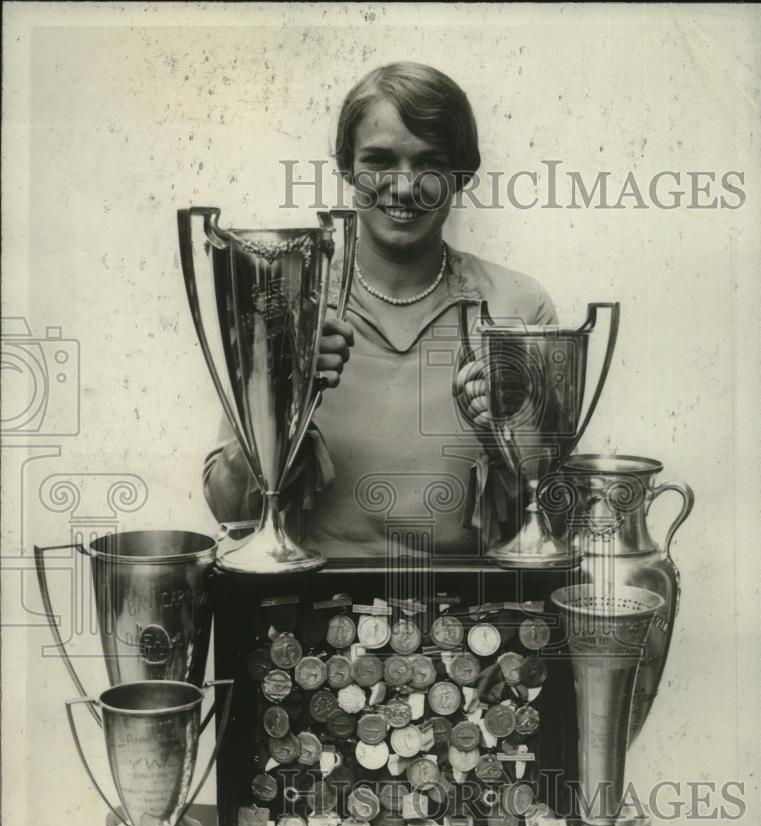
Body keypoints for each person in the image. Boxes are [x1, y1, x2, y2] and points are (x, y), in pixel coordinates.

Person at [203, 62, 557, 559]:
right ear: (348, 168)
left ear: (461, 175)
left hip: (473, 623)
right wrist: (284, 388)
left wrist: (510, 429)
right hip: (307, 619)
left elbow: (560, 513)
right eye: (379, 160)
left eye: (430, 162)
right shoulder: (286, 301)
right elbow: (229, 510)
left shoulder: (516, 306)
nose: (404, 184)